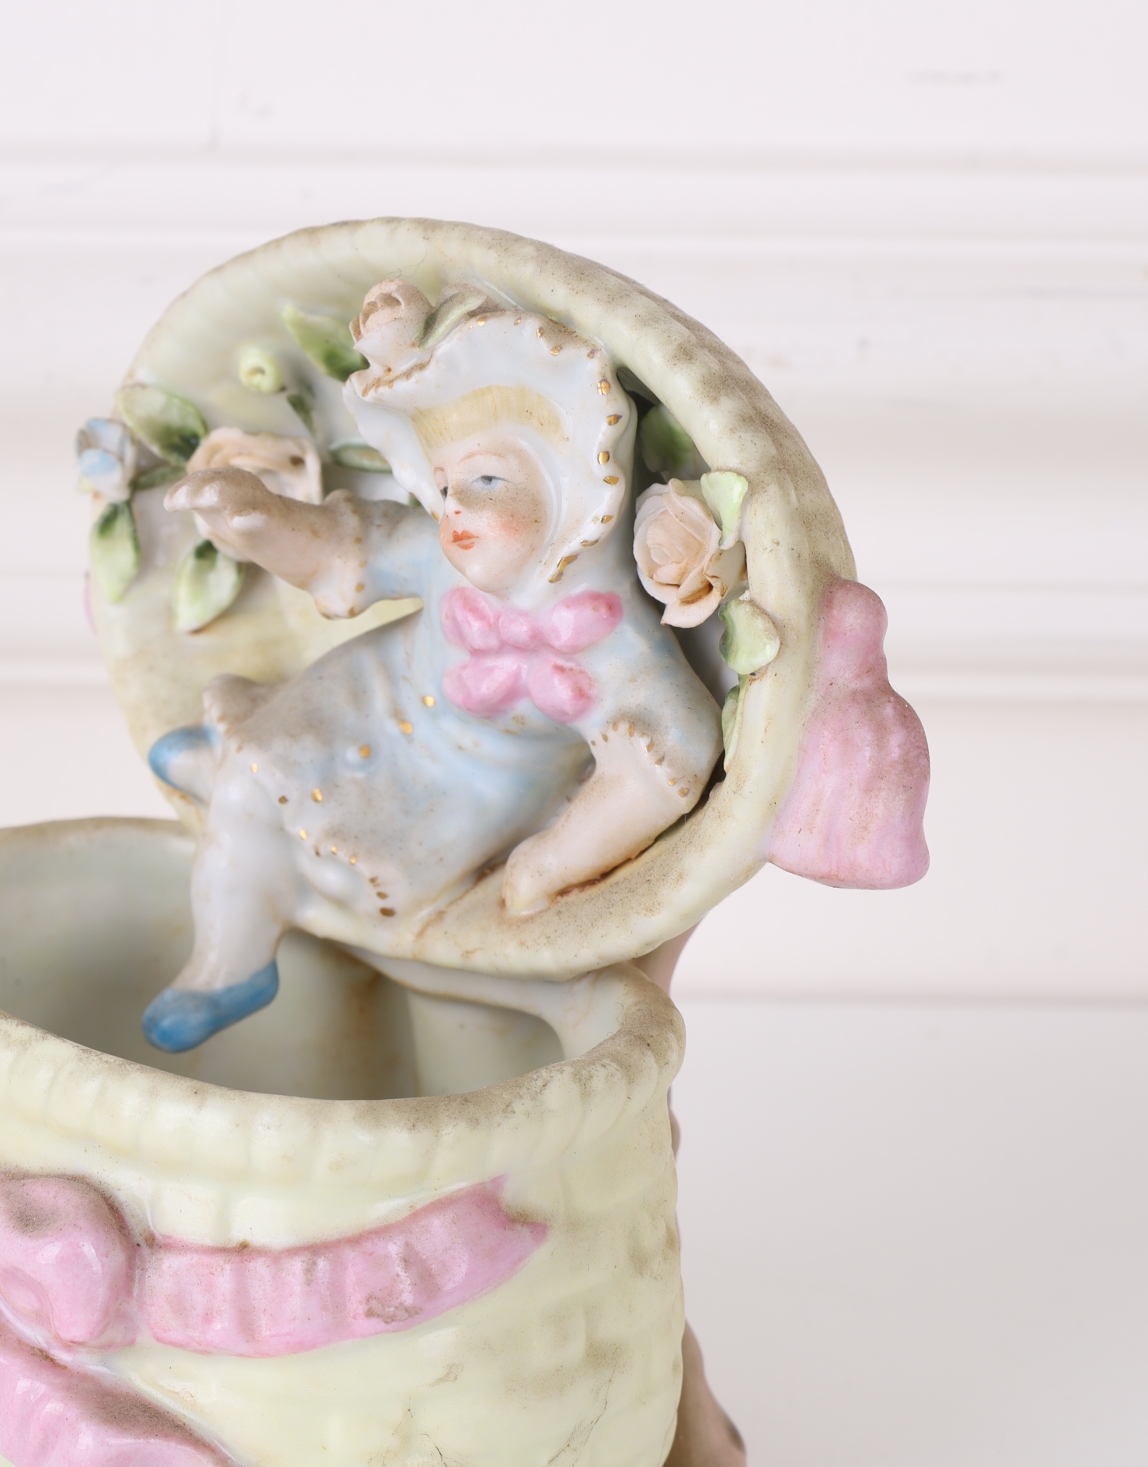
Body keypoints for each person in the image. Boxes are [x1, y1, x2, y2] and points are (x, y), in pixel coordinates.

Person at [142, 281, 722, 1052]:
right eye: (444, 486)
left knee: (345, 872)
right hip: (358, 697)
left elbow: (672, 754)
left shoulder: (612, 644)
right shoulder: (441, 553)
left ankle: (248, 835)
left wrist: (550, 863)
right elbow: (339, 550)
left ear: (574, 488)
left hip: (464, 786)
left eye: (486, 481)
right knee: (260, 771)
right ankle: (229, 960)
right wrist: (260, 520)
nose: (454, 510)